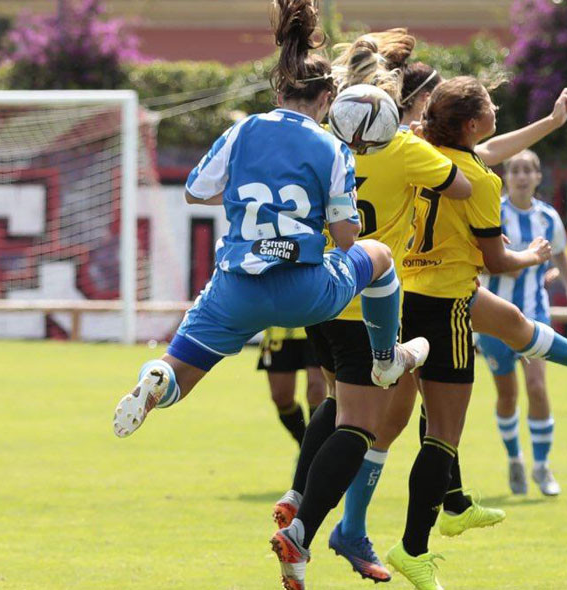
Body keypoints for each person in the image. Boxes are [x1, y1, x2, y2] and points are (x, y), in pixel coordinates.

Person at [111, 3, 429, 587]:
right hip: (307, 289)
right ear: (329, 95)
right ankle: (389, 357)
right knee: (379, 259)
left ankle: (158, 377)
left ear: (279, 85)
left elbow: (196, 191)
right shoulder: (331, 146)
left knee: (186, 367)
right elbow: (346, 236)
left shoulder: (242, 129)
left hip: (237, 284)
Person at [385, 76, 567, 590]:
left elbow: (488, 151)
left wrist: (551, 123)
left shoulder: (420, 152)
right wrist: (533, 255)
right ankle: (412, 548)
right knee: (442, 432)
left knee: (515, 324)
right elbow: (497, 258)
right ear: (470, 123)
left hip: (410, 287)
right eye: (490, 105)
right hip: (445, 301)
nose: (497, 110)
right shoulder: (482, 182)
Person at [271, 30, 472, 584]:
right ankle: (304, 530)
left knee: (337, 404)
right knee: (362, 425)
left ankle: (298, 495)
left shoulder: (320, 143)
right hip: (372, 301)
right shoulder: (407, 150)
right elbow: (461, 188)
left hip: (319, 294)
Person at [477, 150, 567, 497]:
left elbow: (562, 256)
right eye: (515, 170)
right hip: (493, 316)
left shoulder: (549, 217)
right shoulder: (494, 213)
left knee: (537, 387)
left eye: (528, 170)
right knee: (507, 395)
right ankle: (515, 460)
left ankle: (542, 466)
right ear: (507, 176)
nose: (521, 176)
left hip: (534, 314)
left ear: (538, 177)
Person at [256, 327, 325, 449]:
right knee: (281, 397)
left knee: (317, 390)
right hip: (279, 329)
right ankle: (304, 445)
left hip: (316, 324)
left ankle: (314, 450)